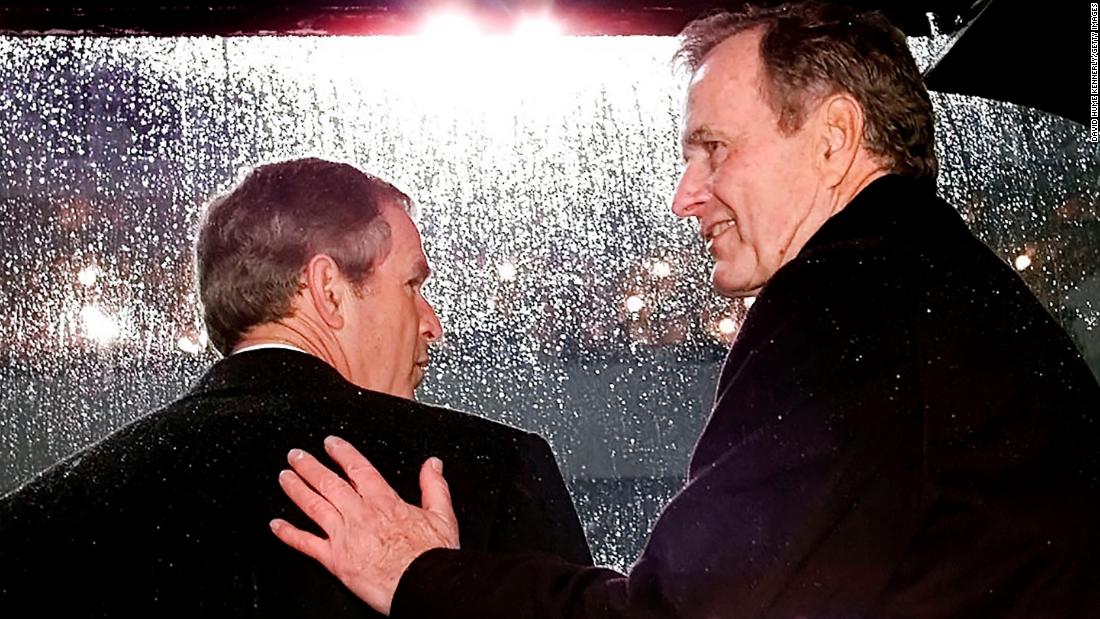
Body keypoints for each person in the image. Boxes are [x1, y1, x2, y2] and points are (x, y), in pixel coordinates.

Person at [270, 3, 1100, 618]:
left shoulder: (849, 299)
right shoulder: (944, 291)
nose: (683, 196)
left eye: (714, 149)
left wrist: (422, 575)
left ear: (835, 138)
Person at [0, 157, 591, 616]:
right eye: (412, 285)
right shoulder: (490, 470)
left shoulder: (33, 521)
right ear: (329, 290)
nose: (431, 322)